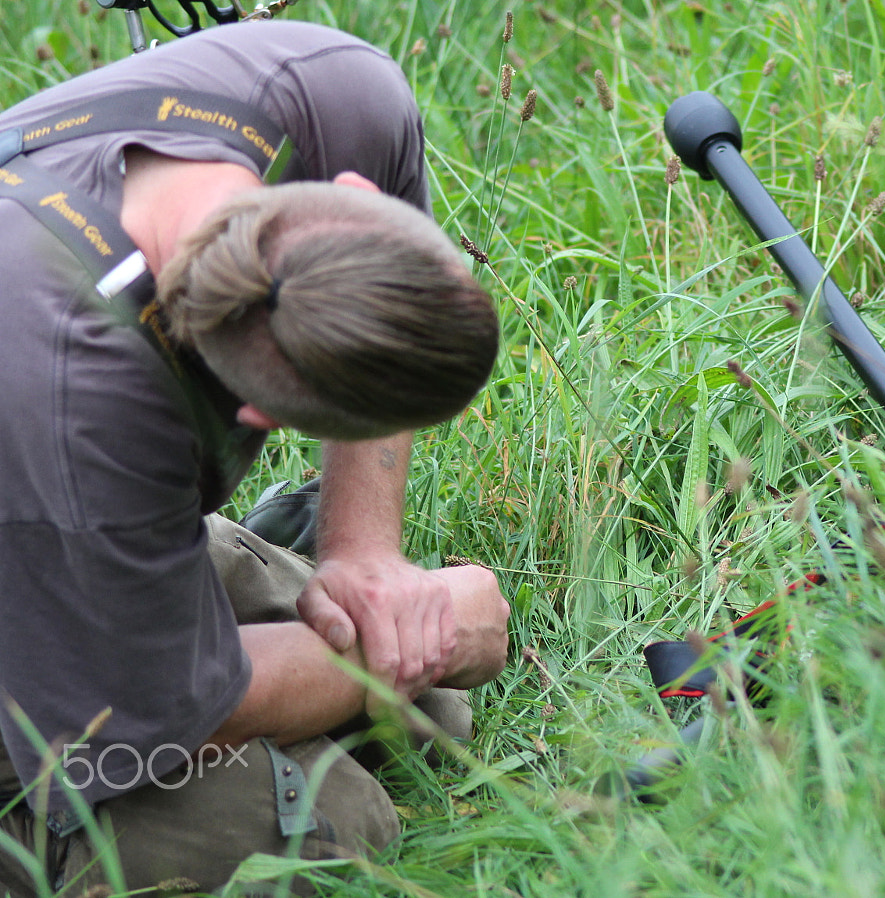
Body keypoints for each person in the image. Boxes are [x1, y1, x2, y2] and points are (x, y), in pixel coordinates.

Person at [0, 19, 510, 892]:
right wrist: (410, 648)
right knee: (323, 824)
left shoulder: (334, 96)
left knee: (426, 705)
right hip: (41, 529)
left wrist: (366, 556)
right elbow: (163, 723)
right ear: (259, 415)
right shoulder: (75, 408)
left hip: (64, 516)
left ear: (350, 186)